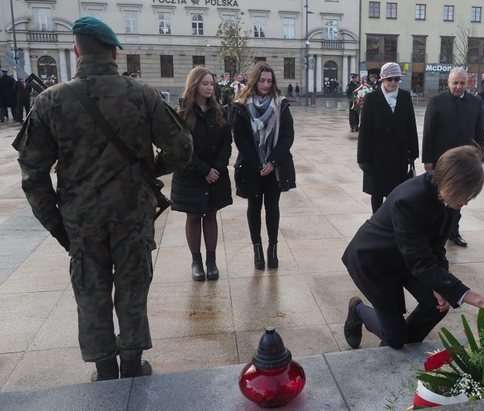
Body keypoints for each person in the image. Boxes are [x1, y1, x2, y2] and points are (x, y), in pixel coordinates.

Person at [12, 17, 192, 381]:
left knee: (91, 293)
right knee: (132, 288)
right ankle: (132, 366)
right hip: (132, 214)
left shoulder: (49, 101)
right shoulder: (142, 94)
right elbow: (182, 147)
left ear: (77, 50)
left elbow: (32, 173)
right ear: (113, 51)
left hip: (81, 220)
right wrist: (150, 171)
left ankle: (106, 372)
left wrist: (59, 226)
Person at [343, 146, 484, 349]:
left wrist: (441, 284)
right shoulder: (408, 200)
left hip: (408, 256)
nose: (465, 203)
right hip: (373, 261)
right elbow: (420, 261)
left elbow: (437, 247)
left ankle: (399, 341)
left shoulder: (449, 199)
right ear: (450, 184)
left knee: (436, 306)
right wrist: (483, 301)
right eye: (464, 196)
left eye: (470, 197)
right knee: (395, 338)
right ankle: (359, 310)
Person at [231, 63, 295, 270]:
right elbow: (240, 138)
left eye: (269, 81)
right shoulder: (241, 104)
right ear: (254, 80)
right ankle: (257, 250)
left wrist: (272, 161)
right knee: (254, 207)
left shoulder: (281, 104)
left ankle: (272, 249)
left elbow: (287, 136)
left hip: (275, 167)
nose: (266, 84)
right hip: (252, 166)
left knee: (272, 208)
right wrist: (259, 163)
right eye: (262, 80)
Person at [172, 66, 233, 281]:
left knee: (211, 215)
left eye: (211, 84)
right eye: (205, 83)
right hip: (191, 174)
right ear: (194, 85)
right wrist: (204, 170)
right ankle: (196, 260)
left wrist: (217, 167)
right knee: (193, 216)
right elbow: (180, 148)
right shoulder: (181, 114)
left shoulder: (220, 111)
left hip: (216, 174)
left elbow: (227, 143)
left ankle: (211, 260)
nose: (209, 88)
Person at [422, 67, 484, 248]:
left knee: (460, 198)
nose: (458, 86)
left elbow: (479, 131)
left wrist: (480, 155)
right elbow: (428, 133)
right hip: (442, 162)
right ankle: (436, 232)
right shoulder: (436, 102)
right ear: (448, 83)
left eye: (462, 83)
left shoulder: (475, 102)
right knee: (439, 197)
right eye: (455, 83)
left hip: (466, 161)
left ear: (467, 83)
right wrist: (427, 160)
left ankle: (453, 232)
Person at [357, 62, 419, 213]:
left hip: (400, 156)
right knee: (377, 194)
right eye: (389, 79)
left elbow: (411, 125)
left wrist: (414, 152)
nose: (393, 83)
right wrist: (362, 159)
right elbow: (364, 131)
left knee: (397, 194)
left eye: (396, 79)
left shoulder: (404, 96)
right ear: (382, 80)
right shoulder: (372, 99)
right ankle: (377, 223)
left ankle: (393, 224)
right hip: (376, 157)